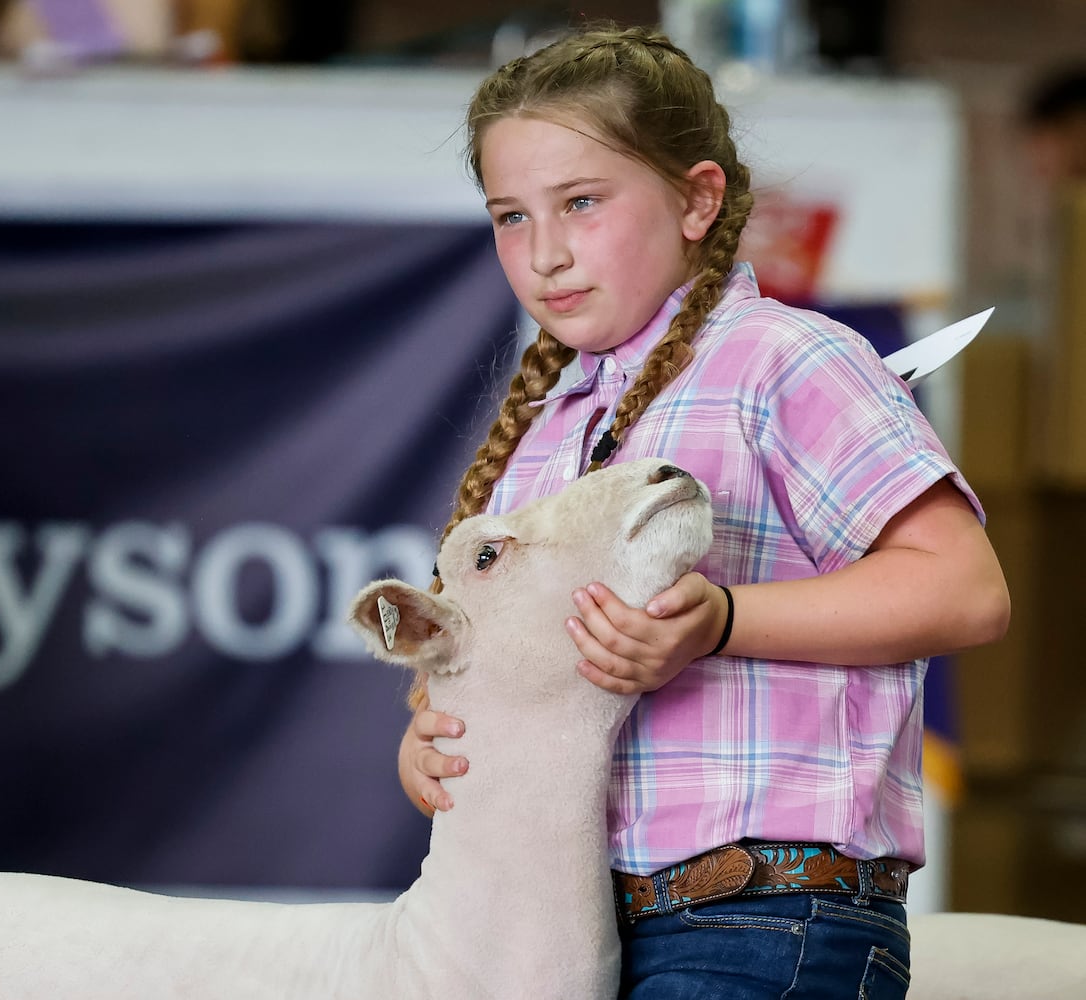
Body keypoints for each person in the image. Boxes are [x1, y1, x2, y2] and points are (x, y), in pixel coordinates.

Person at [397, 23, 1011, 1000]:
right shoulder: (547, 425)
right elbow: (511, 657)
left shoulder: (783, 358)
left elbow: (964, 589)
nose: (544, 252)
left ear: (696, 198)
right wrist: (431, 737)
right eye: (510, 216)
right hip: (572, 923)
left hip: (765, 914)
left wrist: (722, 621)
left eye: (581, 203)